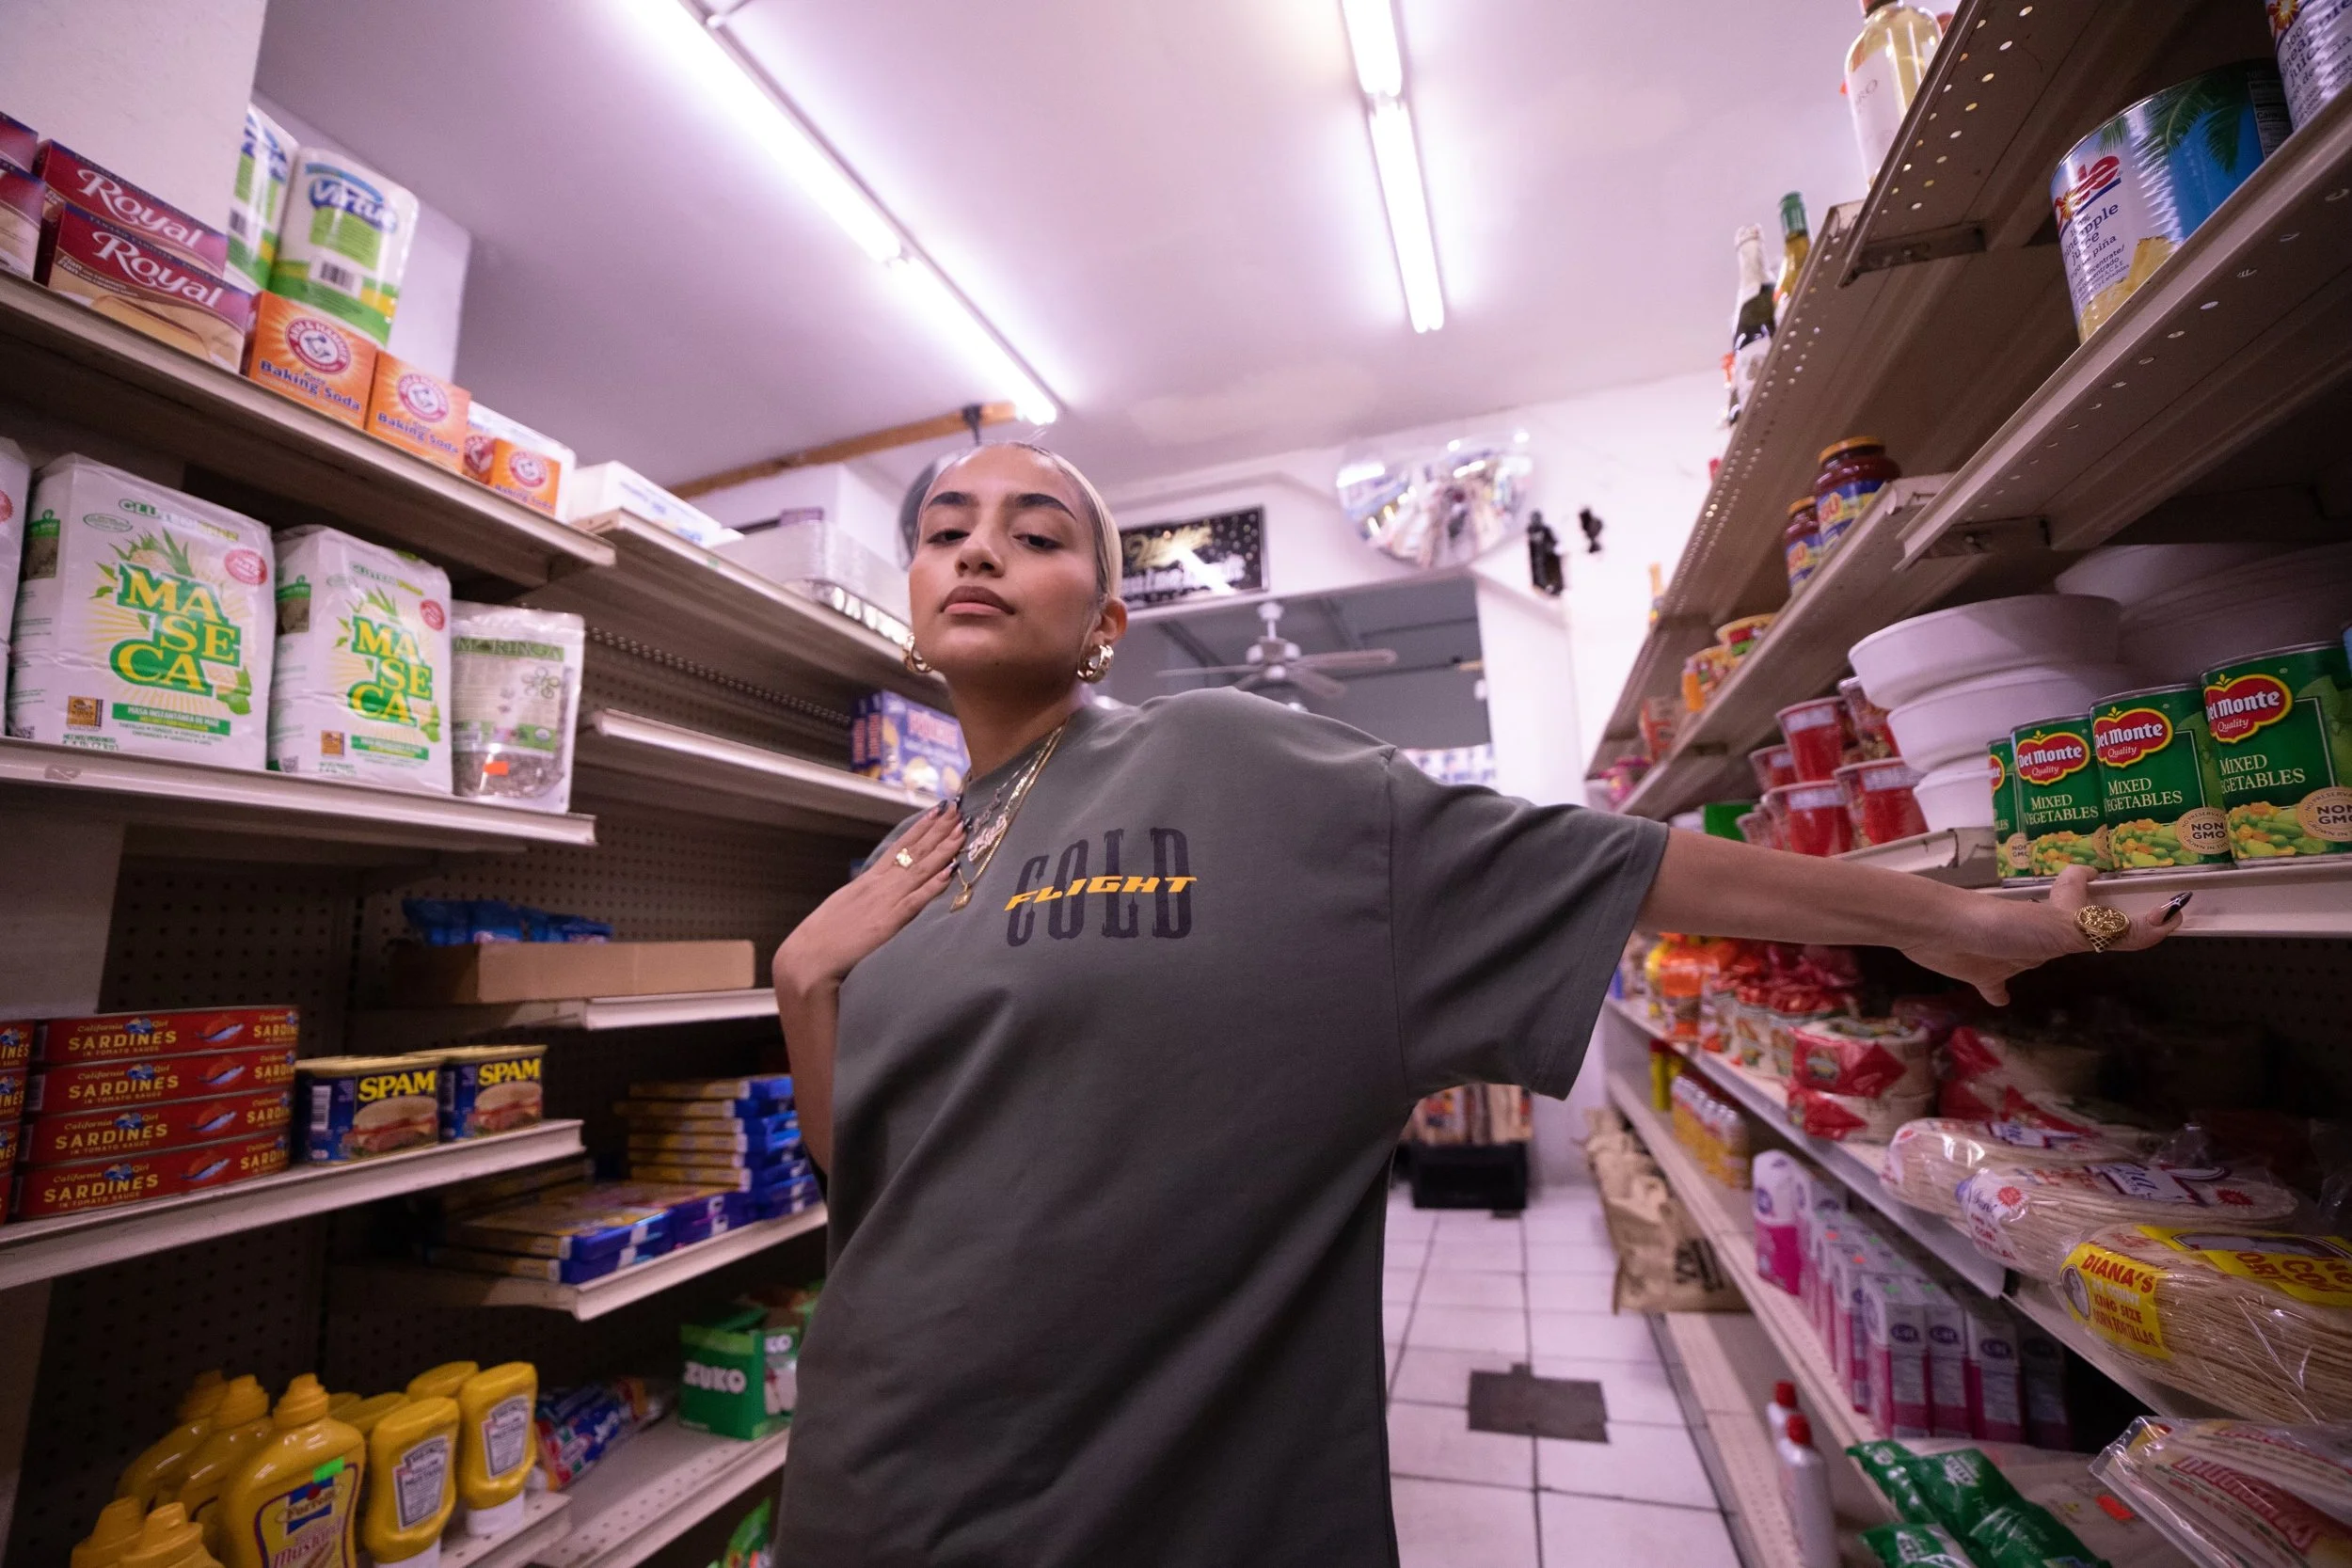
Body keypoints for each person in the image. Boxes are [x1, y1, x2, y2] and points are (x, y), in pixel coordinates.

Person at [771, 442, 2177, 1566]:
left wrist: (1946, 919)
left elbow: (1590, 863)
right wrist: (802, 982)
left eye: (1035, 533)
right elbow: (875, 1175)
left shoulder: (1219, 762)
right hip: (865, 1472)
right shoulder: (903, 860)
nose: (978, 549)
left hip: (1125, 1493)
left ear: (1107, 621)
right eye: (946, 528)